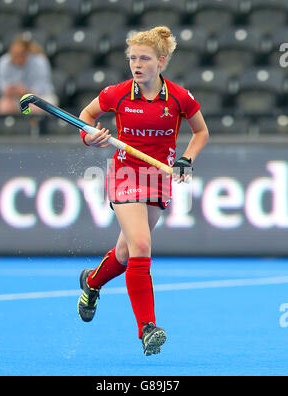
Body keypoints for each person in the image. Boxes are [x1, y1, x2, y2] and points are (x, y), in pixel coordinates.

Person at [77, 26, 209, 356]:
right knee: (141, 244)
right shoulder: (117, 93)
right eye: (133, 58)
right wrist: (88, 135)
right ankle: (147, 328)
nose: (137, 64)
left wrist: (186, 159)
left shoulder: (180, 97)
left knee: (124, 255)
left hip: (158, 177)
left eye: (144, 59)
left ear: (161, 62)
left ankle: (92, 282)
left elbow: (201, 132)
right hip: (124, 173)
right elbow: (87, 117)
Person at [0, 34, 58, 114]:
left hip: (42, 96)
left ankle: (35, 126)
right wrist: (9, 90)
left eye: (20, 54)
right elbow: (1, 85)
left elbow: (41, 86)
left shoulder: (40, 61)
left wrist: (26, 91)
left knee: (33, 107)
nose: (16, 57)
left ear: (27, 53)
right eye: (14, 54)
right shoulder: (3, 62)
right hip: (15, 97)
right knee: (4, 106)